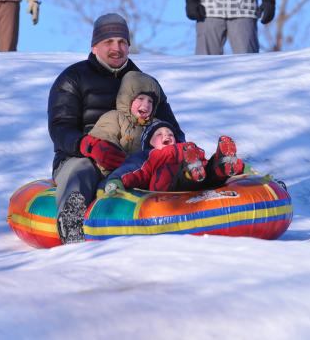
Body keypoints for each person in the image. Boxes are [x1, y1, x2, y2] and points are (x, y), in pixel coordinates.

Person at [47, 13, 184, 244]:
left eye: (122, 42)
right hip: (82, 157)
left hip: (135, 160)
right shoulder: (73, 78)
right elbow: (60, 128)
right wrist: (87, 145)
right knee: (82, 169)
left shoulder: (145, 84)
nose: (116, 48)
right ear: (94, 47)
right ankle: (72, 223)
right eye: (108, 42)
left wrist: (170, 145)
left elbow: (172, 128)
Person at [104, 120, 244, 194]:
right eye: (159, 134)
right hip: (171, 189)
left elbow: (205, 162)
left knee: (208, 169)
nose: (166, 136)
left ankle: (223, 164)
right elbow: (138, 173)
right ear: (149, 144)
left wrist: (243, 168)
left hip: (199, 174)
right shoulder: (151, 156)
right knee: (185, 174)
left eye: (170, 134)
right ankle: (191, 172)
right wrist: (120, 181)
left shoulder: (188, 148)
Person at [88, 70, 162, 175]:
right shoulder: (115, 117)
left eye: (150, 101)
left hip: (147, 175)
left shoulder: (156, 125)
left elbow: (168, 143)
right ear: (127, 99)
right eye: (140, 98)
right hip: (115, 173)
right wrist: (111, 153)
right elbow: (105, 136)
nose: (146, 104)